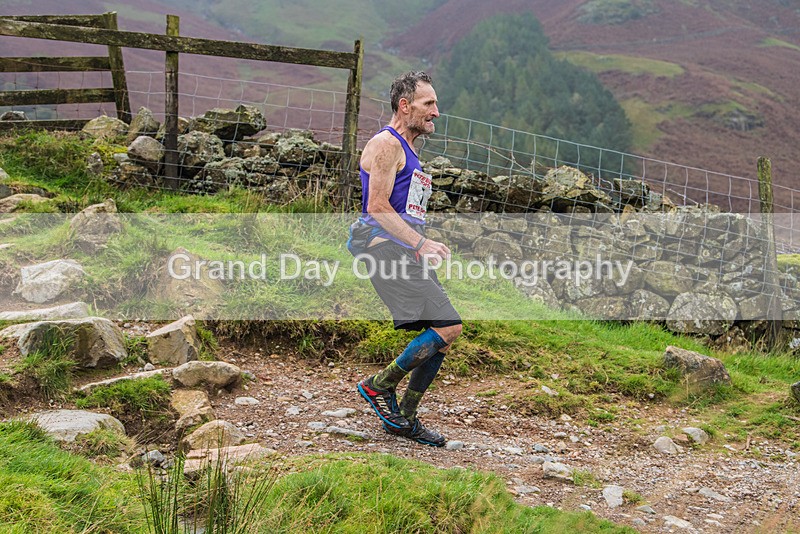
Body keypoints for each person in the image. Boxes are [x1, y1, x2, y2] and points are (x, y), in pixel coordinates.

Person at [355, 71, 462, 447]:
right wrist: (420, 243)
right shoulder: (386, 144)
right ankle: (377, 386)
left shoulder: (409, 148)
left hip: (402, 249)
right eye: (428, 104)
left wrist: (420, 242)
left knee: (445, 337)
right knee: (449, 327)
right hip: (383, 249)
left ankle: (403, 419)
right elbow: (378, 206)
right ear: (405, 105)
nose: (436, 111)